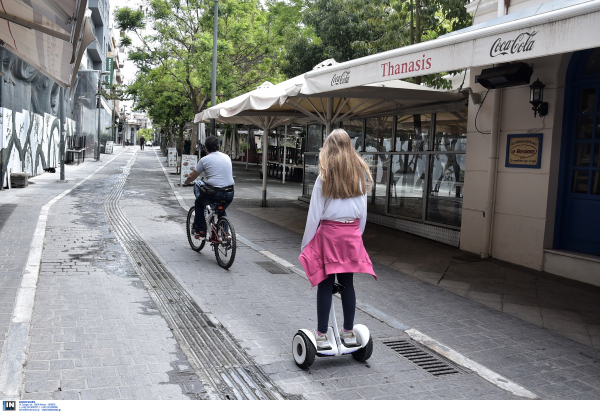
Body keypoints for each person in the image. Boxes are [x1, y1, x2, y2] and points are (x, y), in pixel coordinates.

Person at [299, 129, 377, 351]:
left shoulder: (324, 178)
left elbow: (314, 215)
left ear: (329, 147)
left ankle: (322, 335)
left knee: (325, 283)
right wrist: (356, 237)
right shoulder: (358, 177)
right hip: (351, 235)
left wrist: (306, 244)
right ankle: (349, 332)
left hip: (329, 235)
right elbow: (363, 214)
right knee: (348, 284)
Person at [183, 135, 234, 238]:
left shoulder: (204, 160)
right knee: (221, 210)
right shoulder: (227, 157)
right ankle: (225, 235)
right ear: (218, 146)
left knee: (199, 203)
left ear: (206, 148)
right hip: (230, 192)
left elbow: (193, 175)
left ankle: (200, 230)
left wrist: (186, 182)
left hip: (216, 192)